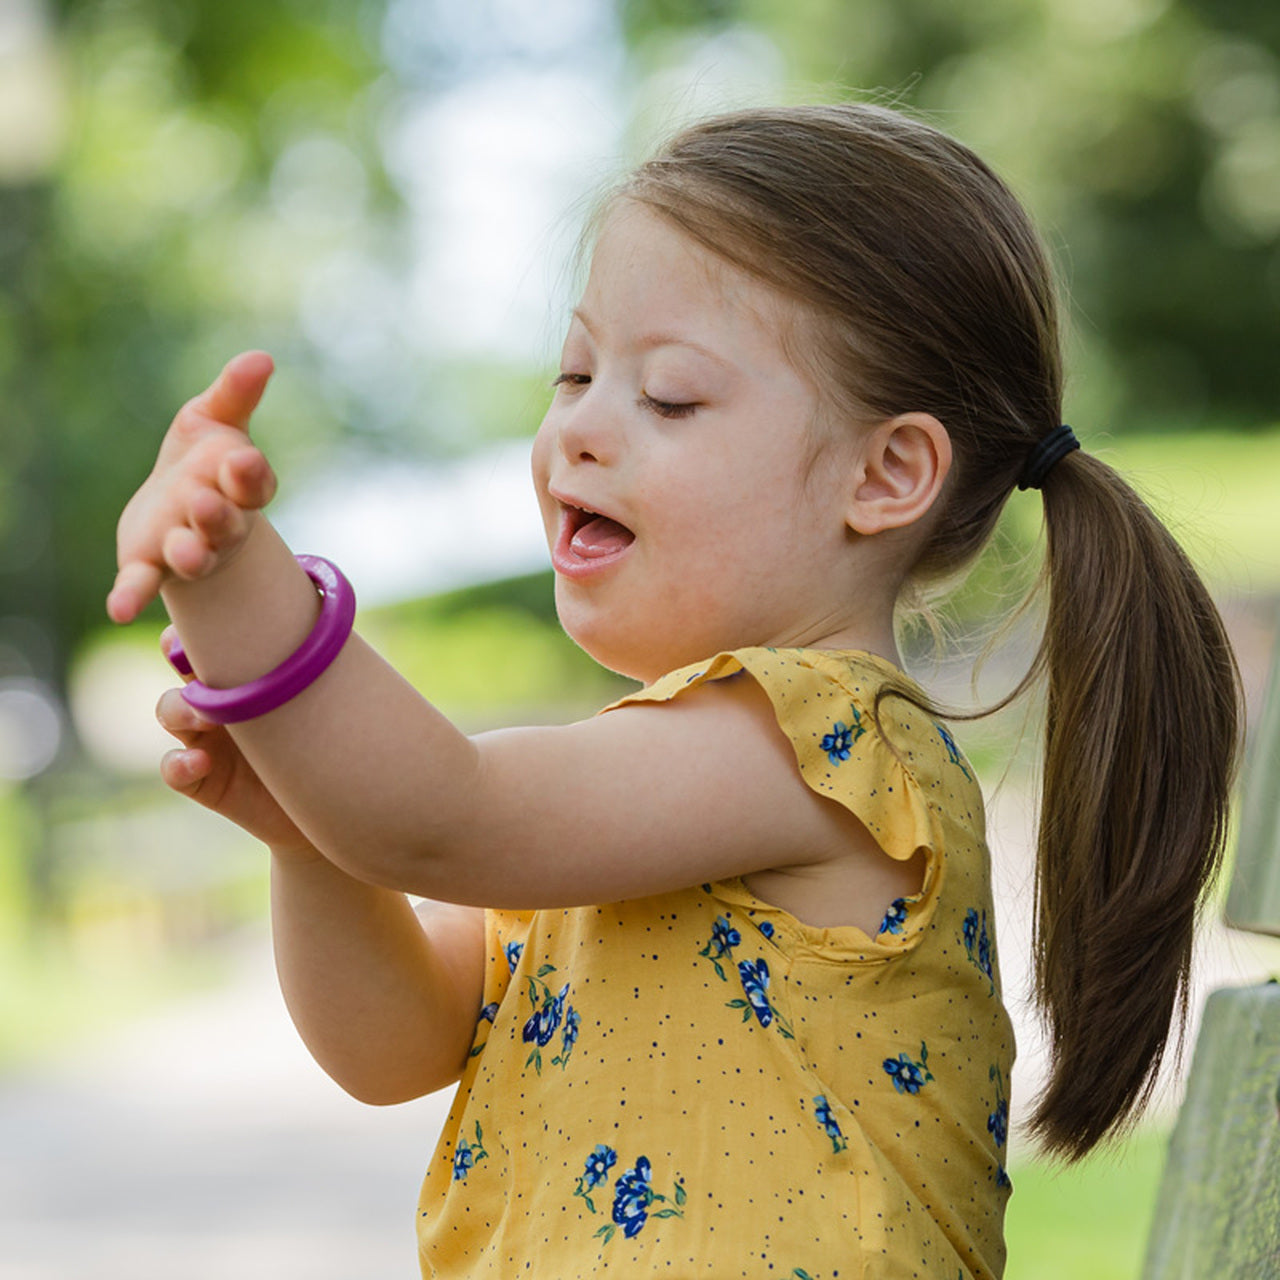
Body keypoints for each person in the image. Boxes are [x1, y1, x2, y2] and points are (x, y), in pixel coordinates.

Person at [108, 103, 1242, 1279]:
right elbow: (395, 1042)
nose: (579, 431)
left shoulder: (822, 743)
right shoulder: (658, 784)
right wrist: (313, 848)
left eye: (668, 398)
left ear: (885, 471)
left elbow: (443, 819)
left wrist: (233, 579)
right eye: (575, 371)